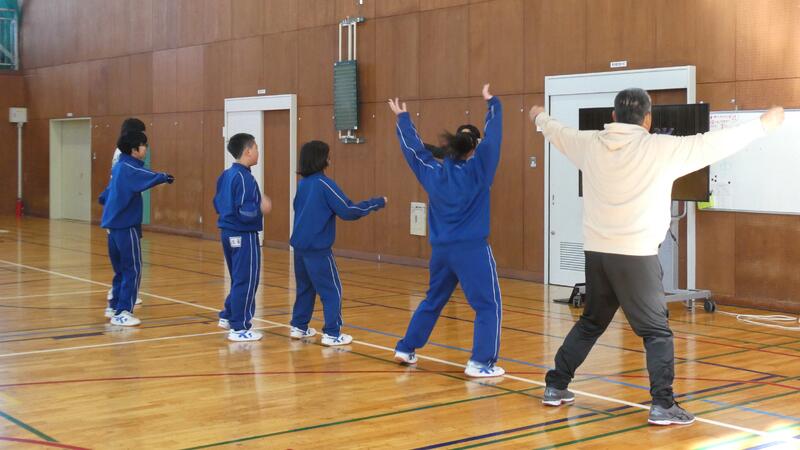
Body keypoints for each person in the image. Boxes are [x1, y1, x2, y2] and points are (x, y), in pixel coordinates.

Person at [529, 88, 784, 425]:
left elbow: (557, 132)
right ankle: (663, 405)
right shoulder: (662, 148)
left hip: (597, 255)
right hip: (636, 257)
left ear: (614, 117)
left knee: (591, 323)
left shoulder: (589, 144)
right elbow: (713, 143)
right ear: (647, 120)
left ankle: (556, 385)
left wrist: (540, 116)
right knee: (656, 333)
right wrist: (762, 124)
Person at [388, 84, 505, 378]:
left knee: (433, 300)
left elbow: (414, 151)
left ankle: (405, 347)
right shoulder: (480, 171)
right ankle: (481, 363)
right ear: (474, 148)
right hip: (472, 250)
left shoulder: (434, 173)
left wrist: (403, 119)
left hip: (441, 252)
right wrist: (494, 105)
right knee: (487, 305)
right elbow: (494, 139)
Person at [288, 140, 386, 346]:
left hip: (299, 248)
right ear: (321, 159)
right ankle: (332, 333)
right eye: (327, 155)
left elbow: (298, 208)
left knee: (305, 288)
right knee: (332, 290)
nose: (330, 158)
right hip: (318, 250)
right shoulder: (324, 184)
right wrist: (376, 203)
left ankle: (299, 326)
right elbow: (348, 211)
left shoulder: (303, 184)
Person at [99, 131, 174, 326]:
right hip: (126, 226)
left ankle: (114, 306)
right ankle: (124, 312)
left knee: (121, 270)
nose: (146, 149)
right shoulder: (129, 168)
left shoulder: (118, 167)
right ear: (134, 149)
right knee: (132, 269)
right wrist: (164, 177)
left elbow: (106, 193)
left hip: (112, 227)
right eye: (144, 145)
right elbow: (146, 175)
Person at [213, 133, 273, 342]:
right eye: (256, 148)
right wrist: (261, 208)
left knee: (239, 278)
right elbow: (246, 212)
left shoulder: (227, 175)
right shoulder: (245, 178)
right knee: (247, 280)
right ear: (248, 151)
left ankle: (228, 315)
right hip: (243, 235)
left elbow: (217, 203)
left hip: (227, 233)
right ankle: (240, 327)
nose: (258, 152)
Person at [106, 118, 148, 307]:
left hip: (117, 212)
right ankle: (122, 301)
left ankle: (120, 296)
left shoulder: (120, 154)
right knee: (130, 262)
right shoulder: (125, 158)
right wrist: (162, 177)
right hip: (124, 214)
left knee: (124, 261)